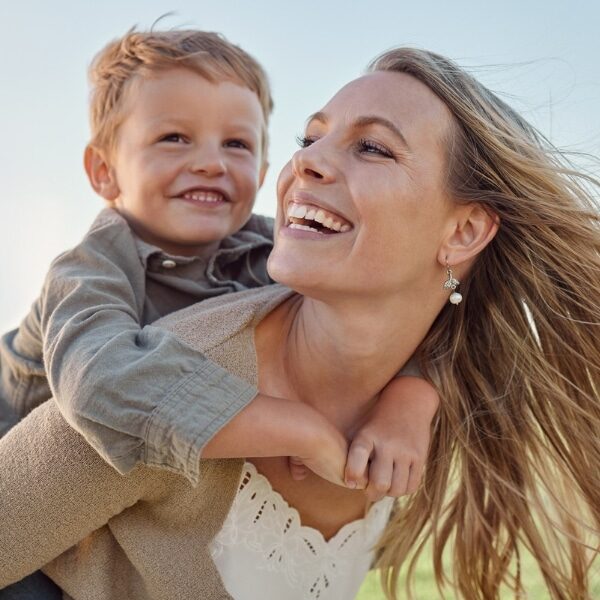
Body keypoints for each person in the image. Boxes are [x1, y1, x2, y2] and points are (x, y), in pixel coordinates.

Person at [1, 46, 598, 599]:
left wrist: (415, 396)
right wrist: (297, 429)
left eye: (372, 147)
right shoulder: (111, 294)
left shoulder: (423, 412)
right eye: (308, 138)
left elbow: (435, 325)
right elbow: (99, 382)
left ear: (464, 232)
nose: (306, 161)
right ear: (105, 172)